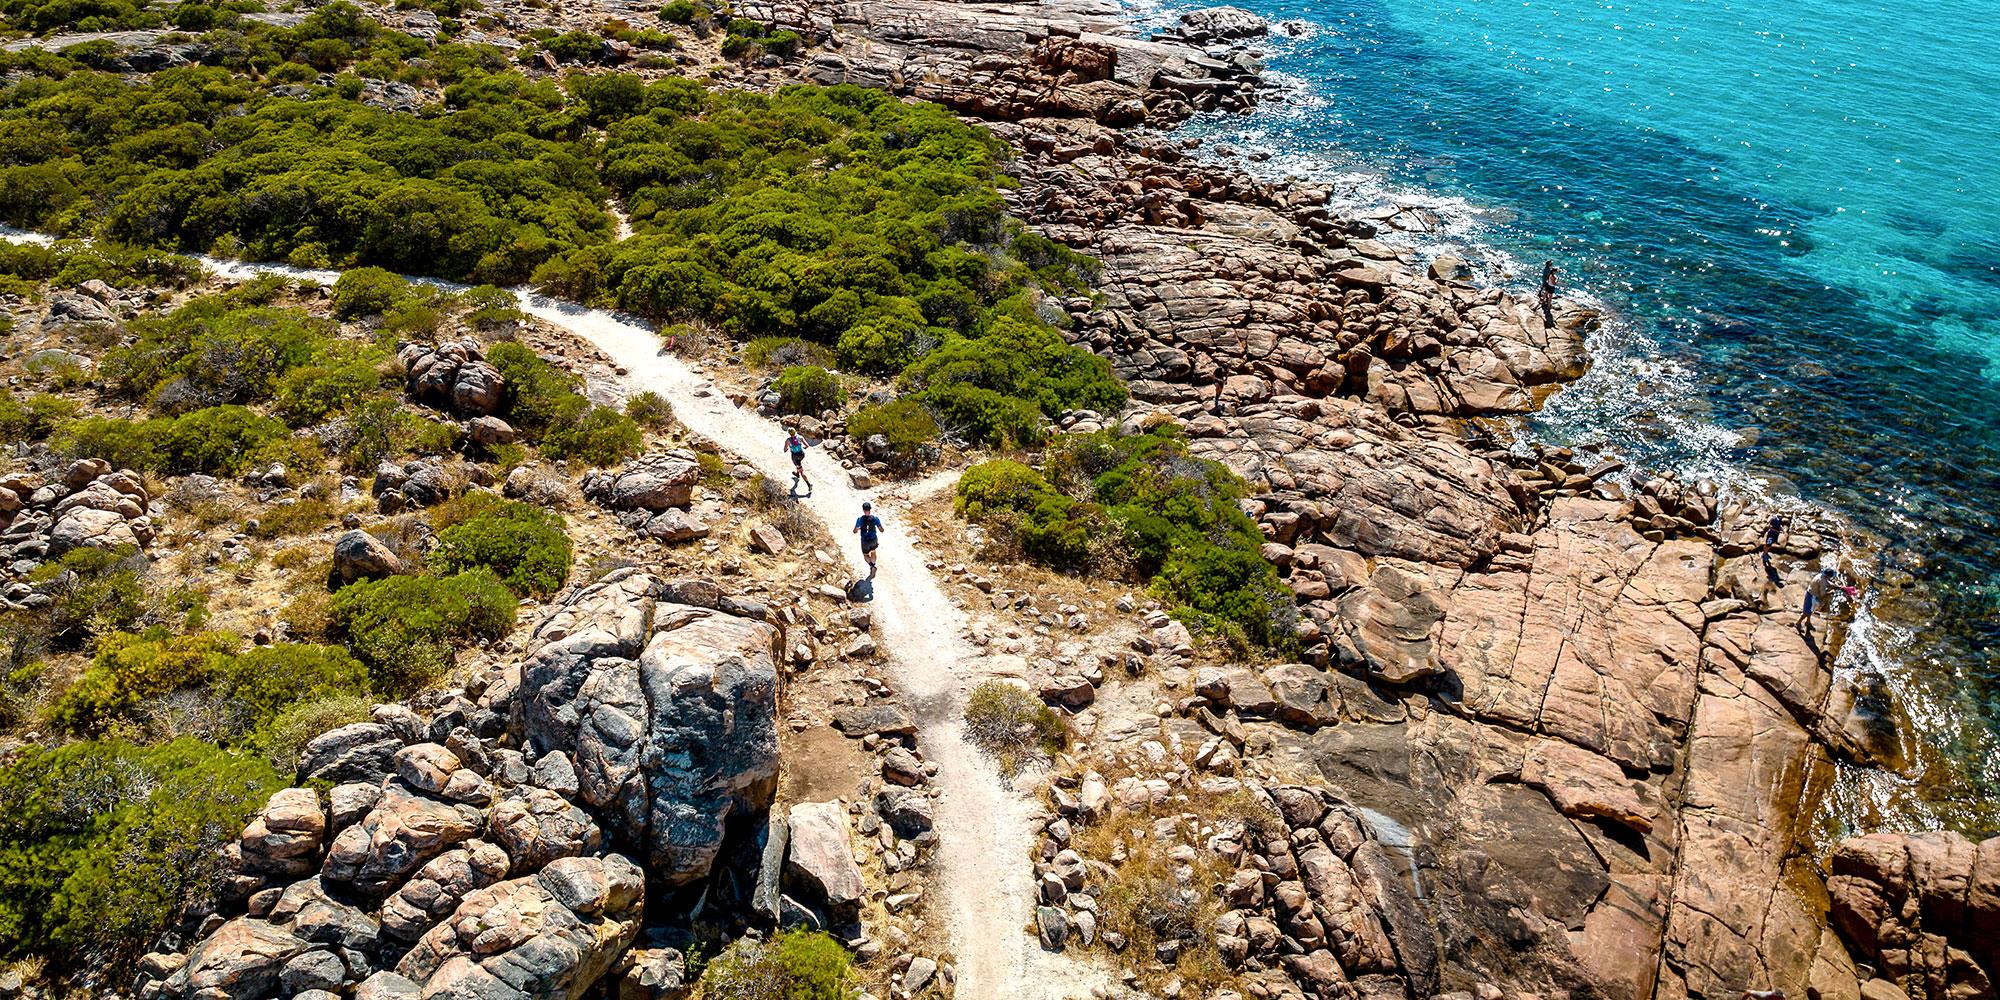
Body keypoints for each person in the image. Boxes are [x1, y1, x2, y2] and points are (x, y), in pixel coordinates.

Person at [853, 502, 883, 576]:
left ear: (863, 510)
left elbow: (855, 531)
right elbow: (881, 530)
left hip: (865, 541)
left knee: (866, 555)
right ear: (870, 509)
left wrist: (859, 529)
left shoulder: (860, 519)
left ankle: (872, 566)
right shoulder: (875, 518)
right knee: (873, 552)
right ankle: (873, 564)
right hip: (873, 539)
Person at [783, 426, 811, 492]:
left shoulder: (788, 440)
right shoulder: (800, 437)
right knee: (798, 464)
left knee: (801, 471)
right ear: (795, 431)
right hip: (802, 455)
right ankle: (797, 474)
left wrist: (787, 448)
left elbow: (785, 450)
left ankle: (809, 484)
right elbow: (807, 445)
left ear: (789, 433)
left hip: (795, 457)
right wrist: (804, 447)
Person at [1538, 260, 1558, 326]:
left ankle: (1543, 301)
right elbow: (1554, 283)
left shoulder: (1548, 272)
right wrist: (1556, 281)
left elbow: (1547, 278)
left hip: (1548, 285)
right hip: (1551, 287)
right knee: (1550, 297)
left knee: (1545, 293)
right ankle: (1548, 306)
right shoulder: (1552, 276)